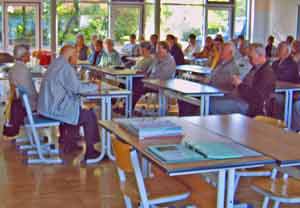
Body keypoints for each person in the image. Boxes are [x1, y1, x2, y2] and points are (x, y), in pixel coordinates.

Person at [37, 45, 101, 160]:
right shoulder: (65, 67)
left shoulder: (56, 63)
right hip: (54, 108)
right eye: (76, 54)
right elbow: (77, 89)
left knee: (76, 108)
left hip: (46, 106)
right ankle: (91, 152)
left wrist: (87, 85)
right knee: (89, 116)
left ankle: (69, 143)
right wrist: (95, 86)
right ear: (70, 55)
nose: (77, 57)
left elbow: (71, 86)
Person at [210, 43, 276, 117]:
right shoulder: (256, 68)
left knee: (210, 105)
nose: (249, 59)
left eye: (251, 57)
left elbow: (256, 97)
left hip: (250, 106)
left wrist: (240, 84)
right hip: (242, 99)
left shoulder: (266, 73)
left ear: (260, 56)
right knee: (207, 102)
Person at [178, 42, 240, 116]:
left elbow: (228, 84)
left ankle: (193, 120)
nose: (220, 51)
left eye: (223, 49)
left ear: (230, 52)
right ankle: (186, 120)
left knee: (191, 101)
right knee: (183, 97)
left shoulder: (233, 66)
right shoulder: (221, 63)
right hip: (209, 89)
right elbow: (211, 74)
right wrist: (203, 80)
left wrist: (208, 81)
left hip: (217, 93)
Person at [8, 44, 38, 111]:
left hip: (24, 102)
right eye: (28, 53)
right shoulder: (23, 70)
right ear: (23, 56)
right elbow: (31, 93)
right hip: (31, 105)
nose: (30, 55)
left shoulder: (13, 68)